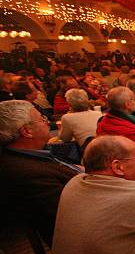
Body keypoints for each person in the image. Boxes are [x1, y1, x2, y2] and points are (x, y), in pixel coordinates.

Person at [0, 100, 80, 244]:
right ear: (27, 131)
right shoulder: (27, 173)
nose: (47, 121)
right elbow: (72, 214)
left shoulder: (30, 153)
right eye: (42, 119)